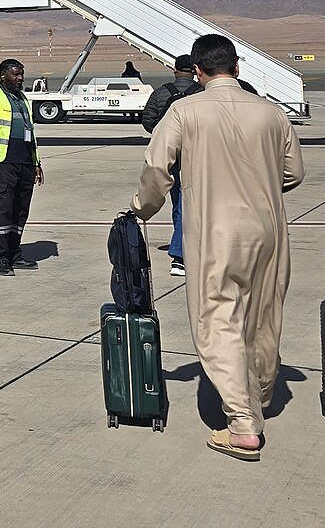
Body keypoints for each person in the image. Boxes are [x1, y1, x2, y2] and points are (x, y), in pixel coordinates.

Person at [133, 33, 304, 460]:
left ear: (197, 71)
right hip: (268, 228)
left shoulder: (184, 110)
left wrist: (141, 209)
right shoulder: (271, 113)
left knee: (218, 317)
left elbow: (157, 168)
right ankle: (261, 395)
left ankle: (243, 423)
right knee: (263, 314)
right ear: (238, 67)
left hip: (215, 230)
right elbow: (294, 172)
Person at [0, 58, 42, 276]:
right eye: (15, 74)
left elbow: (30, 134)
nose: (20, 78)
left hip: (25, 164)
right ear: (3, 74)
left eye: (22, 74)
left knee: (20, 212)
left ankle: (14, 254)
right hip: (1, 163)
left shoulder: (22, 98)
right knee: (2, 212)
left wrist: (36, 162)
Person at [141, 54, 201, 279]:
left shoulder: (161, 92)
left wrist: (164, 135)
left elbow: (148, 121)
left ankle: (181, 249)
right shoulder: (201, 93)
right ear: (194, 70)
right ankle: (180, 254)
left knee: (179, 203)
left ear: (175, 69)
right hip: (193, 155)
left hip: (168, 155)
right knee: (188, 204)